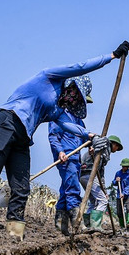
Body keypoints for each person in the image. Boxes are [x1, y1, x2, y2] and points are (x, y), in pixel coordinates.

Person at [0, 41, 129, 241]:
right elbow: (80, 67)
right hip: (4, 123)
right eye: (75, 94)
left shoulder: (56, 110)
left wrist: (92, 136)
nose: (73, 99)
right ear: (71, 86)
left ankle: (15, 233)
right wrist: (111, 57)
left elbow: (68, 126)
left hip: (23, 138)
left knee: (21, 187)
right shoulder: (48, 78)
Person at [48, 76, 91, 235]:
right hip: (66, 157)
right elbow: (53, 136)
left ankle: (61, 223)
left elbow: (85, 136)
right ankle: (77, 222)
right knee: (72, 188)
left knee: (66, 189)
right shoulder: (60, 113)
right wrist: (60, 151)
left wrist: (92, 144)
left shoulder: (78, 119)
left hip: (76, 157)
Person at [79, 135, 123, 230]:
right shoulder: (103, 147)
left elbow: (101, 174)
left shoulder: (103, 152)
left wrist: (105, 191)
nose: (117, 149)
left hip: (83, 176)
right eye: (117, 146)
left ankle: (87, 223)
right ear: (113, 144)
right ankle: (95, 225)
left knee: (94, 201)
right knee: (103, 200)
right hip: (89, 174)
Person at [114, 157, 129, 229]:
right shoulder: (118, 173)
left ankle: (128, 223)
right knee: (119, 212)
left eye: (126, 166)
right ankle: (122, 226)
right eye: (123, 166)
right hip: (119, 195)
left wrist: (124, 193)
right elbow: (114, 183)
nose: (124, 168)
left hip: (128, 195)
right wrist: (116, 181)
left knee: (128, 208)